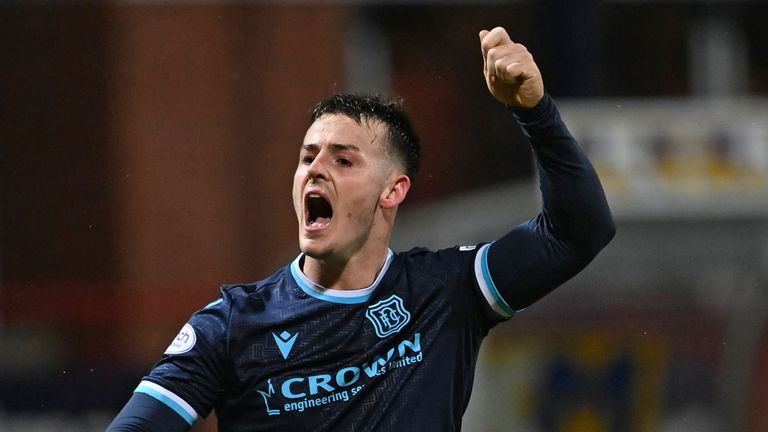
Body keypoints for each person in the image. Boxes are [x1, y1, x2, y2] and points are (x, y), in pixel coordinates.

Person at [107, 26, 615, 431]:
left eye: (344, 160)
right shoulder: (232, 326)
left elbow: (578, 231)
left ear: (393, 191)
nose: (316, 169)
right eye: (308, 157)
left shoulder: (446, 291)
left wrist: (534, 112)